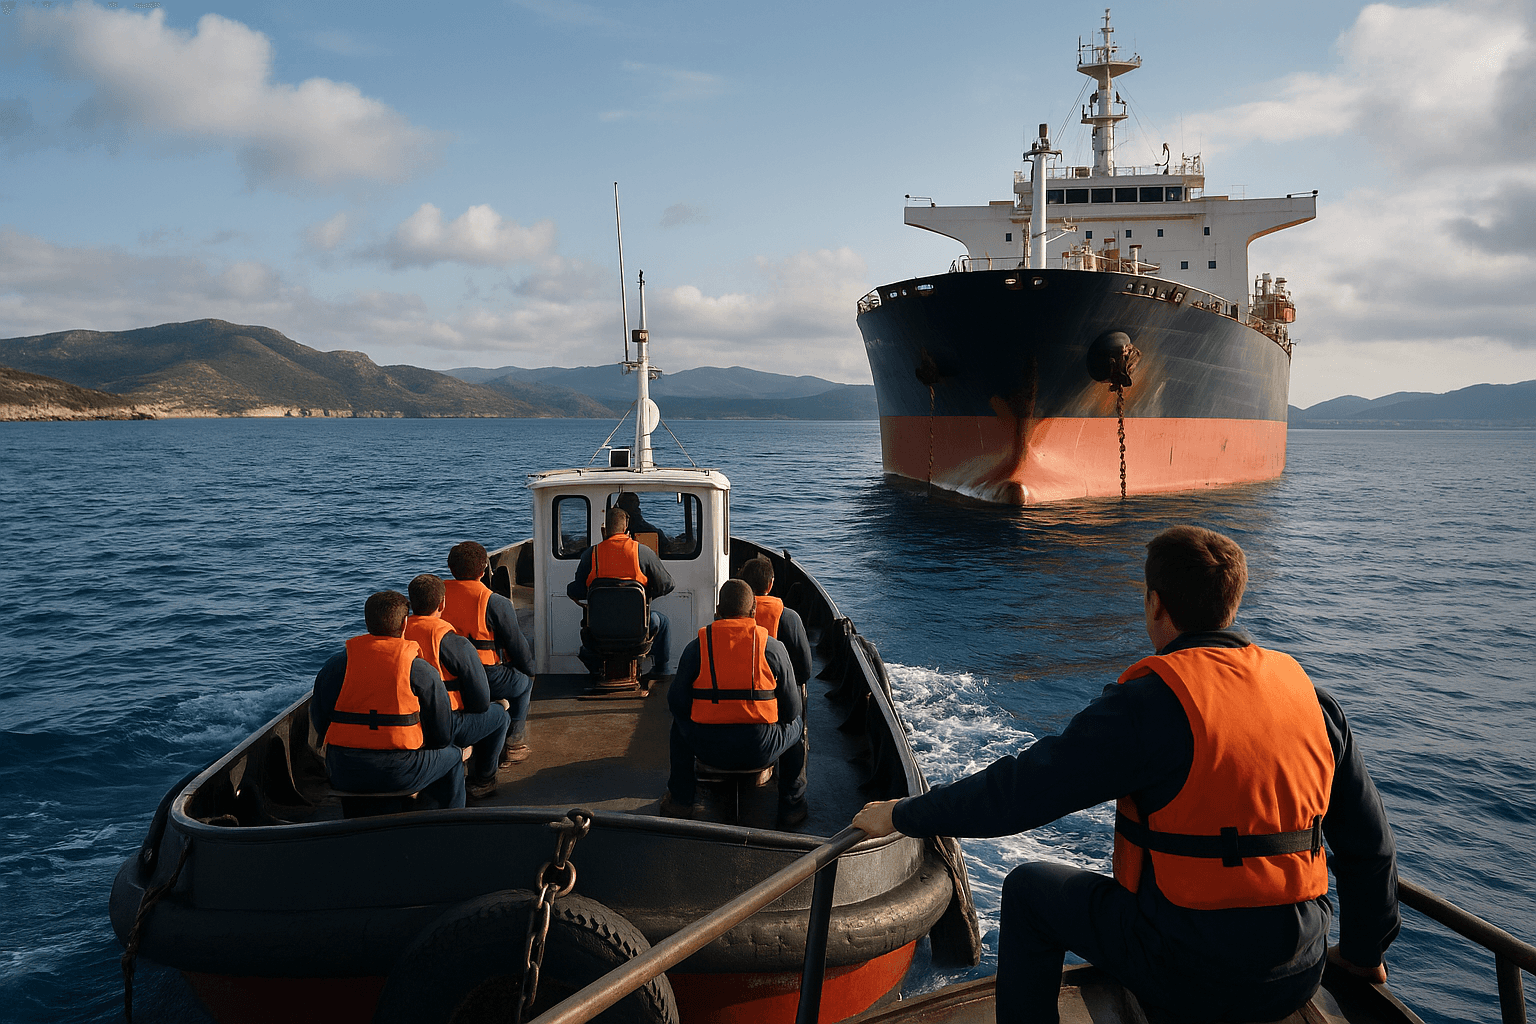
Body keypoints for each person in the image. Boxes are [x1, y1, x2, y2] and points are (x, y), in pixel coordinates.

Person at [852, 526, 1399, 1024]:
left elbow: (1018, 794)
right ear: (1231, 605)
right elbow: (1369, 846)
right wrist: (1364, 954)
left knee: (1026, 891)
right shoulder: (1313, 701)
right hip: (1296, 972)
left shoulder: (1149, 705)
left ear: (1156, 604)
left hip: (1190, 974)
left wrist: (903, 814)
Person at [663, 579, 809, 828]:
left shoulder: (697, 646)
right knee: (797, 727)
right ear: (754, 612)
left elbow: (676, 703)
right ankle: (791, 806)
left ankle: (681, 801)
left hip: (707, 747)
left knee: (679, 728)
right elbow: (792, 710)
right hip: (760, 747)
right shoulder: (773, 648)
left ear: (718, 611)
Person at [311, 590, 466, 809]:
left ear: (367, 623)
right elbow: (441, 734)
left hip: (343, 771)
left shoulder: (334, 666)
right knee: (452, 756)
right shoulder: (420, 669)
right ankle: (443, 822)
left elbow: (319, 721)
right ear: (404, 624)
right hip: (399, 772)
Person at [405, 573, 510, 800]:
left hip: (409, 725)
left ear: (410, 604)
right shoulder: (453, 641)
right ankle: (483, 779)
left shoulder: (398, 636)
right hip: (448, 724)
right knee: (500, 715)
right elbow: (481, 701)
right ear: (442, 603)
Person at [442, 541, 536, 764]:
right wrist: (530, 669)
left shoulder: (438, 599)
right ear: (484, 570)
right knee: (524, 681)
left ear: (451, 569)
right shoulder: (495, 602)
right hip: (486, 675)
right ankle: (513, 743)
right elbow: (516, 645)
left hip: (444, 675)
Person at [567, 506, 675, 682]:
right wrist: (645, 595)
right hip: (638, 631)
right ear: (627, 529)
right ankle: (662, 670)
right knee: (662, 622)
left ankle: (597, 670)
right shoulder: (643, 552)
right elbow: (668, 585)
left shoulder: (591, 555)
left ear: (604, 530)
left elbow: (577, 590)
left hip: (599, 631)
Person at [737, 556, 812, 688]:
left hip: (735, 685)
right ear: (771, 584)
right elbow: (804, 669)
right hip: (774, 691)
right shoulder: (789, 617)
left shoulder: (730, 614)